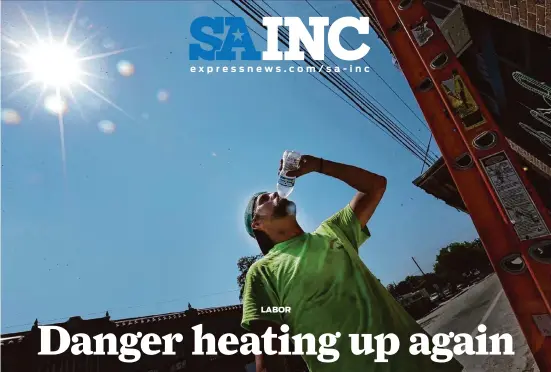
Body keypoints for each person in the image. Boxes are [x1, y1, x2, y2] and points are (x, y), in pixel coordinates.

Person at [241, 154, 464, 372]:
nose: (272, 194)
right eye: (263, 200)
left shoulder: (333, 232)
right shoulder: (262, 272)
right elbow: (268, 354)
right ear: (257, 223)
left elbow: (376, 185)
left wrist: (318, 165)